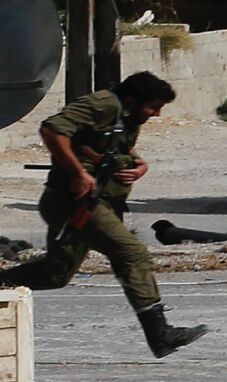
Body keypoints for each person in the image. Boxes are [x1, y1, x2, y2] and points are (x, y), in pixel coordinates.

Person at [0, 72, 207, 358]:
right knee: (132, 254)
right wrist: (78, 173)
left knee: (55, 274)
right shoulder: (103, 104)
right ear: (133, 100)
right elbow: (52, 129)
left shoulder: (127, 117)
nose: (157, 113)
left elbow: (115, 147)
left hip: (97, 204)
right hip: (75, 202)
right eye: (153, 106)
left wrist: (139, 165)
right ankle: (161, 335)